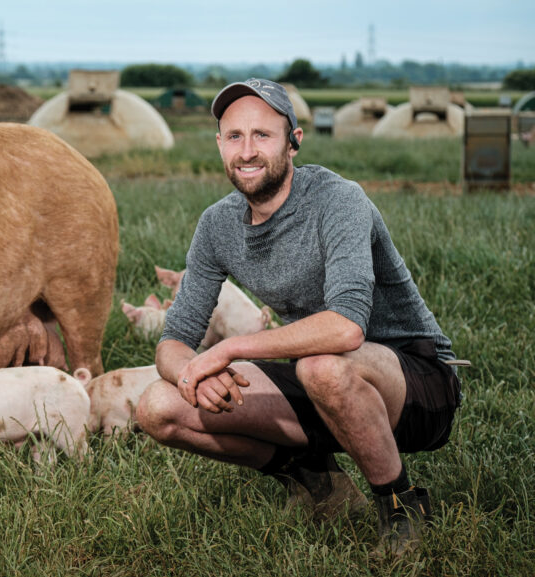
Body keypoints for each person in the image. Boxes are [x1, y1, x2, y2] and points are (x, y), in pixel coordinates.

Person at [135, 78, 461, 555]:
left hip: (416, 380)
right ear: (220, 145)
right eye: (234, 136)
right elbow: (174, 339)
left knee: (322, 364)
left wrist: (225, 350)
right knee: (157, 408)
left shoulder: (338, 199)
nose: (247, 151)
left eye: (263, 135)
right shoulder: (216, 225)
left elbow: (346, 327)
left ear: (294, 141)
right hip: (321, 381)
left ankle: (401, 504)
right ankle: (317, 481)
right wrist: (192, 374)